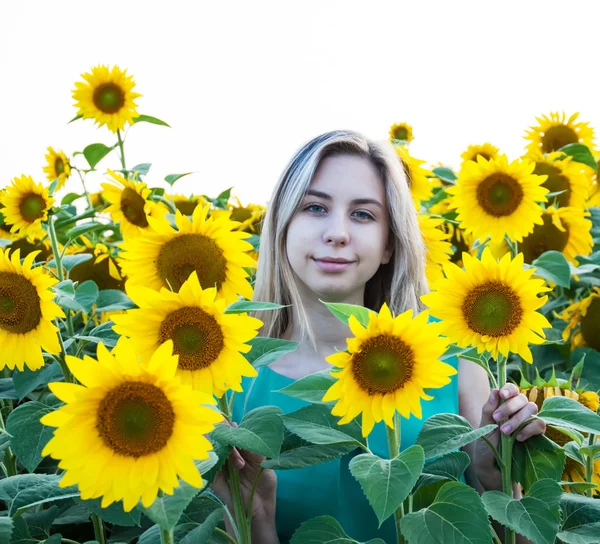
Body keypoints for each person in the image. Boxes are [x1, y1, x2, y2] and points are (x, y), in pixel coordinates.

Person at [212, 130, 546, 543]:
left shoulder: (453, 364)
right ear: (282, 226)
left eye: (363, 214)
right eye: (315, 207)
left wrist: (494, 474)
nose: (337, 232)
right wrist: (255, 518)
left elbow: (514, 537)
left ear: (389, 243)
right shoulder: (229, 377)